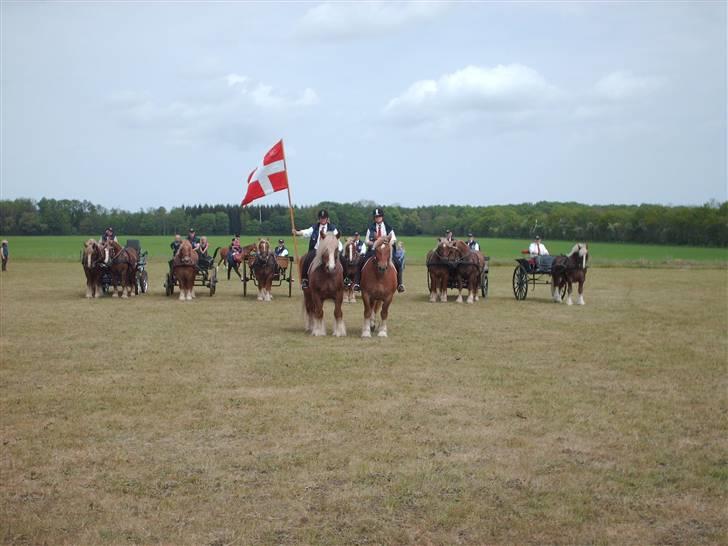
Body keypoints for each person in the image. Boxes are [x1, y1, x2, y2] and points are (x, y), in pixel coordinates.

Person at [354, 207, 405, 293]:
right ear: (374, 218)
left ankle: (400, 284)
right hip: (373, 250)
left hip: (386, 251)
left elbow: (393, 239)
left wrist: (387, 244)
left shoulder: (388, 227)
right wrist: (375, 244)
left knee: (398, 263)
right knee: (360, 262)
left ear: (382, 217)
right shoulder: (370, 228)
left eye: (379, 216)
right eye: (376, 217)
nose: (377, 218)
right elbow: (366, 241)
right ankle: (357, 284)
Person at [292, 208, 340, 289]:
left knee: (341, 259)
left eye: (324, 218)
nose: (323, 220)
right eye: (321, 218)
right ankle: (305, 280)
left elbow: (336, 238)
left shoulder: (332, 228)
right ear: (319, 219)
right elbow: (306, 232)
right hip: (316, 250)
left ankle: (344, 279)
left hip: (328, 251)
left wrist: (338, 248)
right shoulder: (315, 227)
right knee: (307, 259)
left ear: (327, 218)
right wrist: (297, 232)